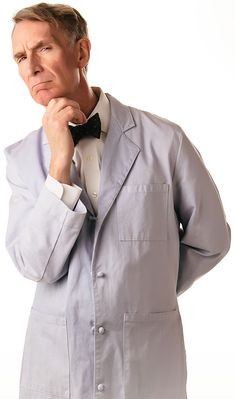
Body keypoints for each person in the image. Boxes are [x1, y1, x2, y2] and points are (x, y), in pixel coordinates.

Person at [4, 3, 231, 399]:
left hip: (146, 365)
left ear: (82, 53)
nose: (31, 67)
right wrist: (59, 165)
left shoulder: (165, 142)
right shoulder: (22, 158)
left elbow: (211, 238)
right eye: (21, 57)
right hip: (57, 369)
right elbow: (33, 264)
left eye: (43, 49)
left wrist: (143, 287)